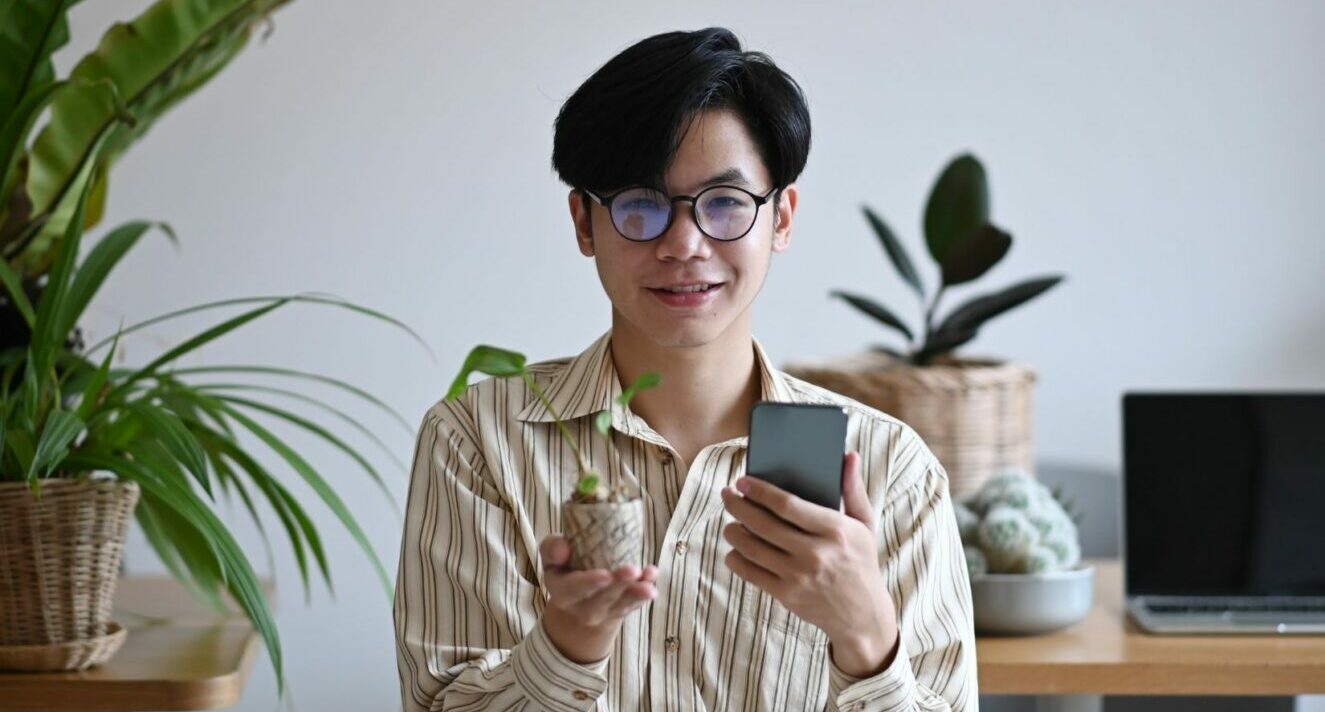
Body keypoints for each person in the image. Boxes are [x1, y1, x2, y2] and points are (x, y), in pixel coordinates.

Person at [394, 27, 976, 712]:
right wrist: (563, 649)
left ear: (780, 219)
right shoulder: (478, 445)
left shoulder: (890, 471)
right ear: (584, 222)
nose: (683, 244)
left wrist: (865, 633)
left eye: (725, 203)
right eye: (640, 205)